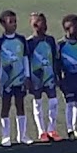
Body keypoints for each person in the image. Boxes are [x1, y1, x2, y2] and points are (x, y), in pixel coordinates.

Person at [0, 9, 31, 146]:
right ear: (3, 24)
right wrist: (2, 74)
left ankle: (22, 135)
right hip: (6, 81)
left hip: (20, 79)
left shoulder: (21, 39)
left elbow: (25, 58)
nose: (14, 24)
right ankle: (6, 136)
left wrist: (27, 76)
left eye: (15, 21)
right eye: (11, 22)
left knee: (20, 105)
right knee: (5, 106)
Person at [27, 12, 61, 143]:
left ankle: (52, 128)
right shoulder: (29, 43)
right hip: (36, 78)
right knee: (38, 103)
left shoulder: (50, 40)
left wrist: (57, 74)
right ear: (35, 25)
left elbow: (55, 58)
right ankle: (42, 131)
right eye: (42, 23)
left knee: (53, 102)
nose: (45, 25)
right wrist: (28, 78)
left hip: (49, 76)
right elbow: (26, 60)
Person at [58, 14, 77, 139]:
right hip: (68, 78)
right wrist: (59, 78)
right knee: (70, 102)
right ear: (67, 28)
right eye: (74, 26)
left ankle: (75, 127)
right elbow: (57, 63)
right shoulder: (60, 45)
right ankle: (70, 129)